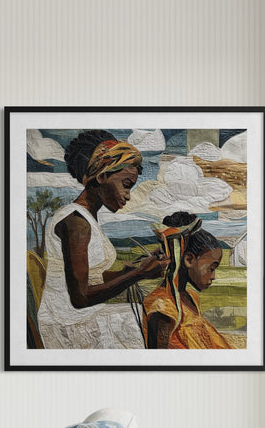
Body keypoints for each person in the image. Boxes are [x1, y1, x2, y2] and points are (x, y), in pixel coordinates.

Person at [37, 130, 168, 349]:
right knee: (157, 324)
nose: (128, 195)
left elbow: (87, 276)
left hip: (79, 318)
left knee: (155, 319)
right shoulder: (76, 222)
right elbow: (80, 297)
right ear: (101, 176)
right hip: (67, 326)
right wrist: (139, 274)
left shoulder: (86, 218)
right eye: (126, 185)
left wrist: (127, 272)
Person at [142, 210, 233, 350]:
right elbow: (159, 360)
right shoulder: (162, 305)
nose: (213, 276)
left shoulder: (191, 297)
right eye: (211, 268)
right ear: (189, 259)